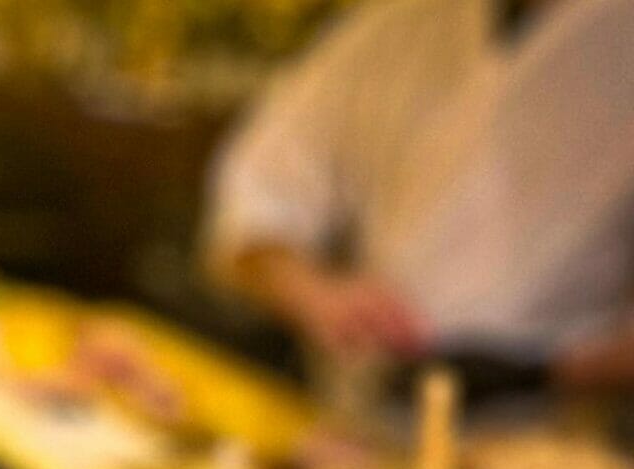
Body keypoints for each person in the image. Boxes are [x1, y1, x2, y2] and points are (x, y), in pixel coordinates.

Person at [199, 0, 634, 384]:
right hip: (358, 412)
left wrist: (539, 375)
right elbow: (258, 189)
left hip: (555, 434)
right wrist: (314, 293)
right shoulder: (399, 24)